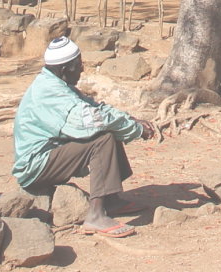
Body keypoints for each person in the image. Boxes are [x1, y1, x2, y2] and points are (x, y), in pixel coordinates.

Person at [12, 37, 156, 239]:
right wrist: (135, 129)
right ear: (65, 69)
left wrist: (131, 119)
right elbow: (94, 121)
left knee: (109, 128)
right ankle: (96, 215)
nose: (81, 70)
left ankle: (111, 199)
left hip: (49, 155)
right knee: (102, 138)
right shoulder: (51, 92)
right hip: (36, 166)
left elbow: (96, 108)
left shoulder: (56, 83)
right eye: (78, 66)